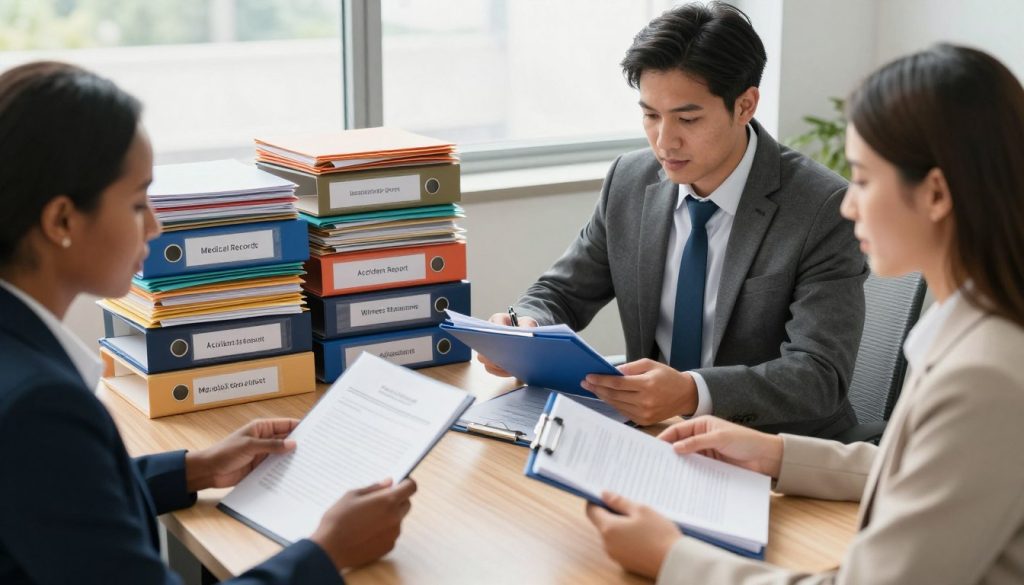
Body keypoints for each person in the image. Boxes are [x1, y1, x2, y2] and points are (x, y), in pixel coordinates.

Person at [585, 43, 1024, 584]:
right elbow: (933, 470)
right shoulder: (978, 333)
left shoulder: (985, 377)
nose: (848, 203)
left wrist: (673, 560)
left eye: (863, 179)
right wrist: (777, 454)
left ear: (934, 193)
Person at [0, 61, 415, 584]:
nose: (155, 224)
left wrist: (197, 468)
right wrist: (327, 552)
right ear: (61, 220)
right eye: (135, 203)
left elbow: (56, 499)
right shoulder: (38, 408)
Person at [480, 2, 867, 436]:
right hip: (658, 437)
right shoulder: (629, 180)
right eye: (650, 115)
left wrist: (690, 392)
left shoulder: (822, 208)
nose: (665, 141)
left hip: (779, 452)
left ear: (745, 105)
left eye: (687, 118)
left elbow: (818, 376)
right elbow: (561, 292)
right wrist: (524, 324)